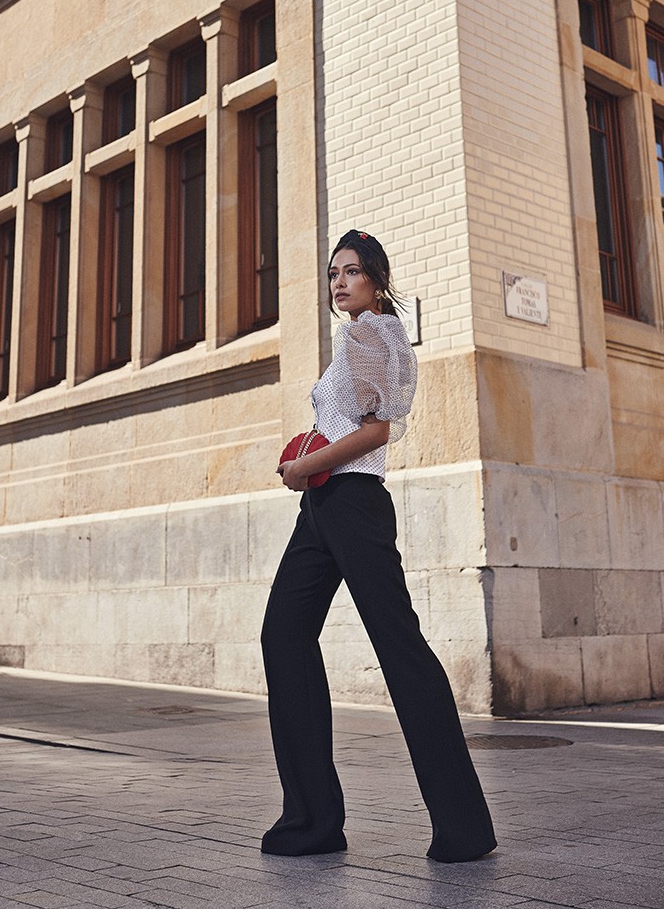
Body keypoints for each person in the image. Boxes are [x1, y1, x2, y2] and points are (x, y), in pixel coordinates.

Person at [260, 229, 497, 863]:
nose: (339, 282)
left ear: (376, 278)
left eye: (351, 272)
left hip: (353, 504)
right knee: (283, 632)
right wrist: (310, 457)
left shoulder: (371, 332)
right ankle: (311, 820)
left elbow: (375, 432)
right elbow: (348, 421)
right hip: (326, 507)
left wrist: (306, 467)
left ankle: (464, 828)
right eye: (333, 272)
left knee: (400, 650)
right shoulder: (364, 334)